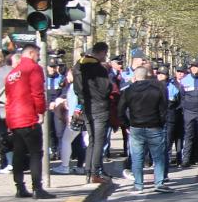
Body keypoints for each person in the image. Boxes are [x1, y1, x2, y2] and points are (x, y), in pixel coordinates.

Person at [5, 42, 52, 199]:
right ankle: (37, 188)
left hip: (14, 118)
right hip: (29, 116)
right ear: (31, 53)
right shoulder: (33, 68)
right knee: (35, 153)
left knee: (18, 153)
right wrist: (41, 112)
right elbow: (37, 93)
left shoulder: (12, 74)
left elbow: (9, 98)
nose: (39, 58)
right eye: (38, 55)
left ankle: (19, 187)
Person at [118, 67, 170, 193]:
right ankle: (159, 183)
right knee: (158, 157)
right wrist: (161, 122)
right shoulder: (158, 90)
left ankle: (138, 185)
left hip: (136, 126)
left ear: (134, 77)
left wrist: (126, 124)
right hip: (154, 125)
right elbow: (164, 108)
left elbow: (120, 110)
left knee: (137, 157)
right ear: (148, 76)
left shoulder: (128, 91)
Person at [73, 42, 114, 184]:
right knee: (98, 141)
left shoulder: (78, 67)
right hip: (99, 107)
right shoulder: (99, 69)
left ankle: (88, 171)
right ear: (102, 52)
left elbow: (76, 89)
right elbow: (105, 89)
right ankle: (95, 172)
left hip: (87, 106)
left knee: (91, 140)